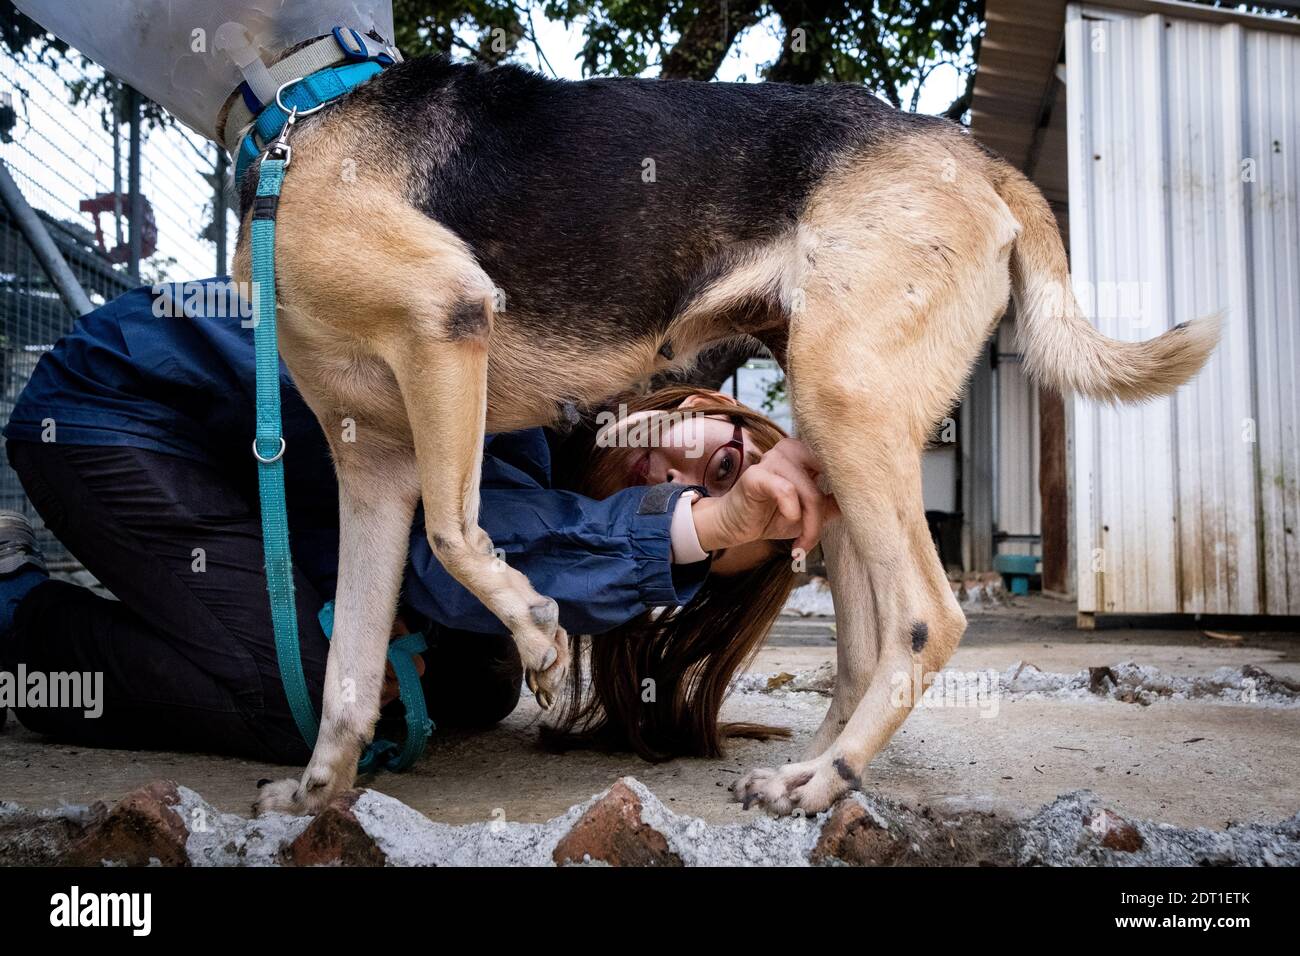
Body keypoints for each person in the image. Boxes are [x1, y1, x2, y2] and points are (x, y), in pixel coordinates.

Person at [0, 278, 834, 764]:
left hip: (250, 479)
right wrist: (712, 528)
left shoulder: (566, 466)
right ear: (707, 403)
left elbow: (420, 540)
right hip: (127, 410)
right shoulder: (568, 381)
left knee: (479, 681)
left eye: (698, 506)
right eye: (718, 470)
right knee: (311, 708)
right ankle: (16, 621)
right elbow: (455, 548)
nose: (676, 484)